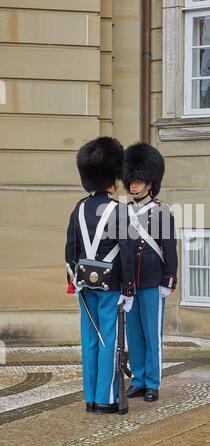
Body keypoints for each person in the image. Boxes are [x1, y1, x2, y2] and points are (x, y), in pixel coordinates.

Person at [65, 137, 135, 414]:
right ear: (113, 180)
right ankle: (106, 399)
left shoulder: (78, 208)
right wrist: (128, 288)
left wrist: (74, 279)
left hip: (83, 283)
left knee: (90, 341)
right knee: (109, 341)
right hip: (112, 285)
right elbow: (127, 252)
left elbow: (70, 249)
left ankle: (90, 398)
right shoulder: (119, 210)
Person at [122, 143, 178, 402]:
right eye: (131, 180)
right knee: (133, 335)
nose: (134, 185)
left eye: (139, 180)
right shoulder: (123, 211)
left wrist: (169, 278)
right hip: (130, 283)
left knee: (152, 335)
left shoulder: (162, 210)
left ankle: (153, 383)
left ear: (150, 182)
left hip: (153, 282)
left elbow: (169, 247)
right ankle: (139, 380)